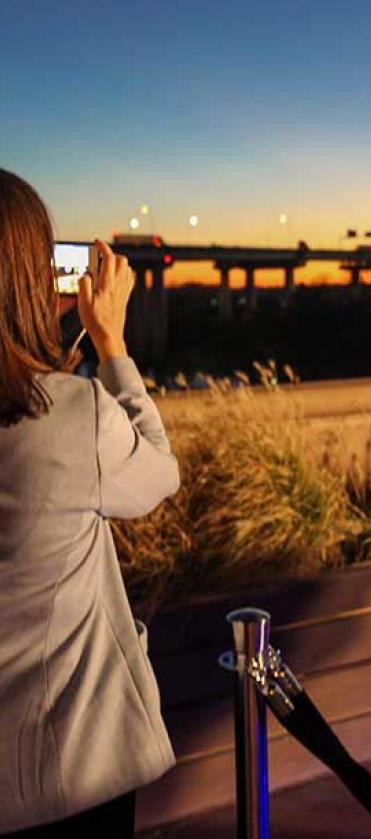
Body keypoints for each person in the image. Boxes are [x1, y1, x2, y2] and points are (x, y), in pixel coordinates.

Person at [0, 168, 180, 837]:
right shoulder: (69, 416)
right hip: (68, 774)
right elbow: (160, 472)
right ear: (27, 275)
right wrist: (108, 342)